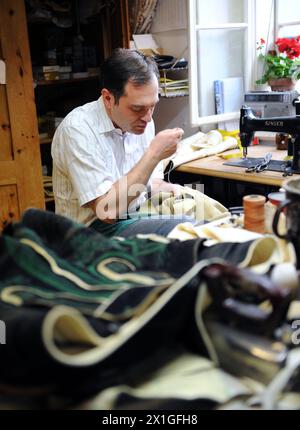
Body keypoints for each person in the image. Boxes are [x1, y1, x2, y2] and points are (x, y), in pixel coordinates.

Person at [52, 48, 192, 237]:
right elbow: (107, 211)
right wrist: (153, 155)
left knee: (207, 215)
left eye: (153, 106)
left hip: (133, 215)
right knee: (184, 229)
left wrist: (168, 188)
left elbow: (148, 183)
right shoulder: (77, 129)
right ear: (108, 98)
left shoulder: (141, 120)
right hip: (90, 231)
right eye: (137, 108)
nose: (148, 118)